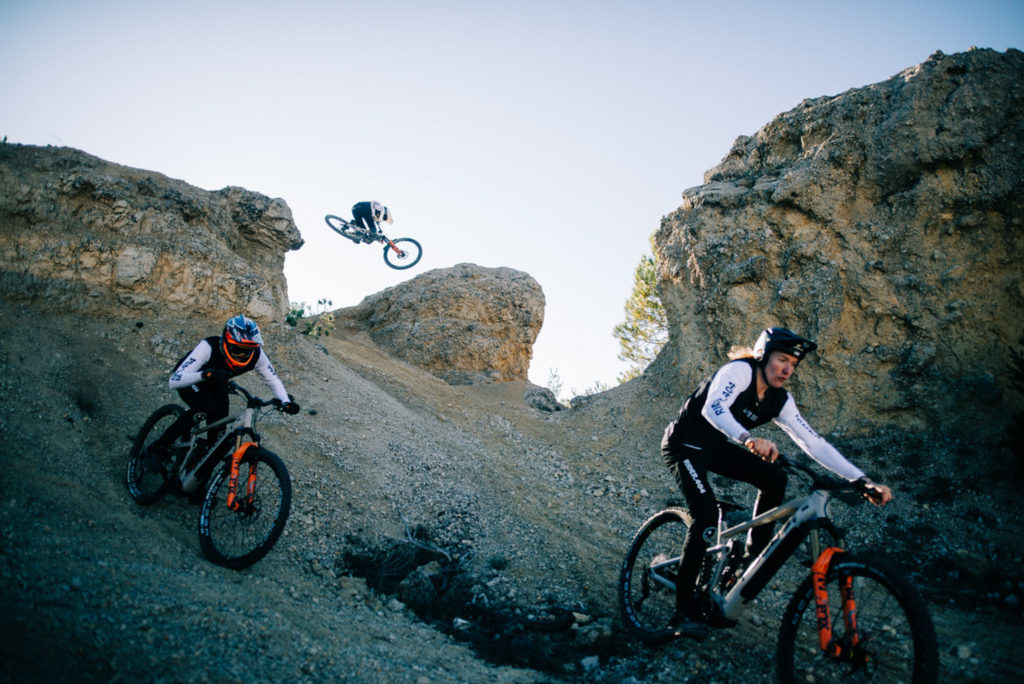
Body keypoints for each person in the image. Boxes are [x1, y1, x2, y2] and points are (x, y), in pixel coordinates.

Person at [660, 327, 892, 639]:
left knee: (774, 478)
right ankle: (682, 612)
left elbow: (814, 443)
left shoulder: (779, 400)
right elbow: (713, 408)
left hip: (715, 447)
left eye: (793, 364)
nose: (787, 369)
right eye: (782, 359)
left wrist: (861, 480)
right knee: (704, 516)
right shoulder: (740, 371)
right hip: (684, 444)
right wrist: (747, 438)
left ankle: (752, 555)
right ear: (763, 356)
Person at [153, 315, 300, 495]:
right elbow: (174, 380)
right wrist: (205, 375)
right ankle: (160, 447)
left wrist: (285, 402)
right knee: (204, 408)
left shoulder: (257, 354)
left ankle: (198, 477)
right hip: (192, 378)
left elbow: (272, 380)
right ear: (226, 342)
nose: (242, 355)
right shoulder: (209, 347)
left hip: (218, 382)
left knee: (218, 439)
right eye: (237, 350)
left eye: (247, 351)